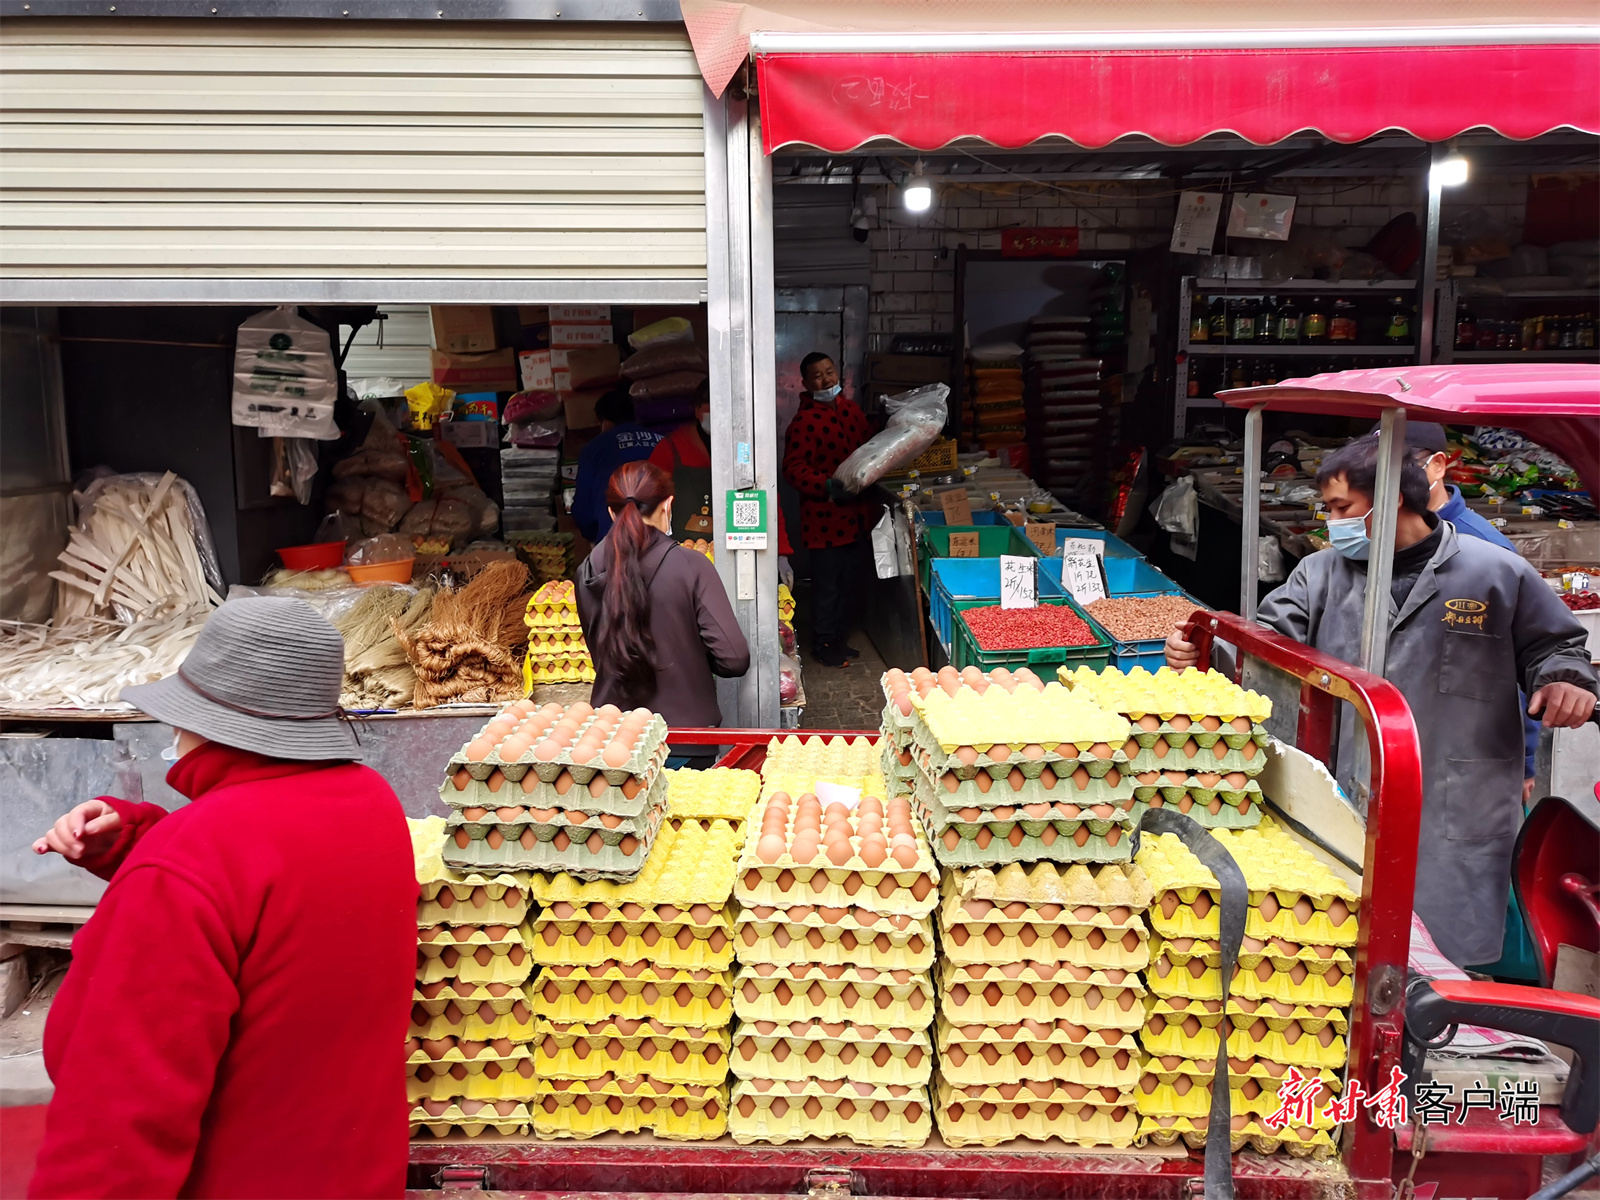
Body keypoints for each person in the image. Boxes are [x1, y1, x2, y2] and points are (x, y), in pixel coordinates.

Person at [28, 597, 416, 1198]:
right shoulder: (372, 802)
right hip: (356, 1174)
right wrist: (139, 843)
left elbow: (116, 1121)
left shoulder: (191, 861)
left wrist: (161, 863)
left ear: (198, 722)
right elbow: (282, 903)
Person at [1165, 434, 1598, 968]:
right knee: (1339, 952)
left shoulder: (1493, 571)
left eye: (1342, 508)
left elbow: (1556, 645)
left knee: (1447, 964)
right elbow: (1264, 646)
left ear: (1391, 499)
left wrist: (1564, 680)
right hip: (1342, 787)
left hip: (1456, 797)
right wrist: (1202, 649)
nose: (1331, 523)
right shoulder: (1320, 574)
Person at [1396, 421, 1541, 802]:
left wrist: (1525, 760)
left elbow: (1522, 658)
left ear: (1438, 465)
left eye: (1402, 464)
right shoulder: (1380, 537)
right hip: (1400, 734)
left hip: (1469, 747)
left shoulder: (1486, 548)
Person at [577, 460, 750, 731]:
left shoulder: (586, 570)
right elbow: (734, 659)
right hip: (685, 734)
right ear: (668, 505)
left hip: (614, 733)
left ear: (611, 512)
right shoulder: (691, 566)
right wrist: (691, 653)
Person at [781, 351, 874, 668]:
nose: (826, 380)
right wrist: (826, 485)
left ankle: (838, 638)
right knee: (827, 587)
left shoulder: (851, 411)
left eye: (829, 372)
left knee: (850, 583)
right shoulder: (803, 422)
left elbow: (869, 448)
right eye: (818, 376)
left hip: (856, 516)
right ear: (806, 383)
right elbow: (793, 468)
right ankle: (822, 643)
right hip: (824, 520)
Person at [571, 385, 663, 543]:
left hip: (615, 541)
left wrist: (594, 536)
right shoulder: (662, 442)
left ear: (605, 422)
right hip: (662, 540)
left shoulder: (595, 448)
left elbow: (583, 509)